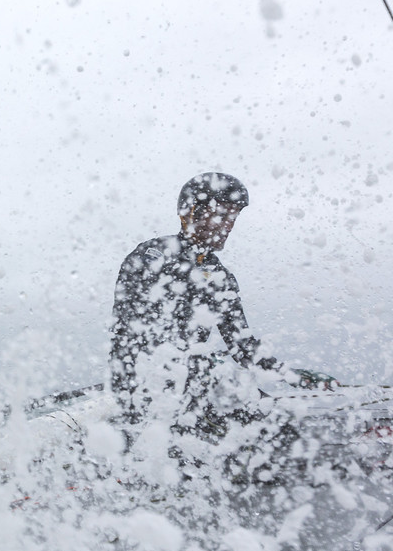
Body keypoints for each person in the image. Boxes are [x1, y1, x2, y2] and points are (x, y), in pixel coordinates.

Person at [110, 172, 333, 430]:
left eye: (233, 217)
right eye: (221, 215)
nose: (228, 226)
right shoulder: (154, 255)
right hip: (147, 390)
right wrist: (197, 361)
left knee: (278, 424)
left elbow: (243, 347)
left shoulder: (220, 276)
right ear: (190, 212)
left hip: (197, 386)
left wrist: (290, 375)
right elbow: (138, 329)